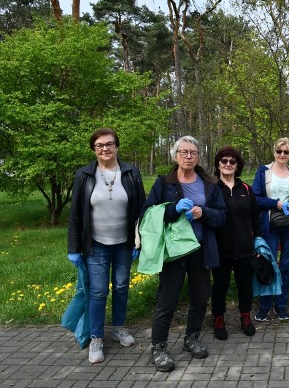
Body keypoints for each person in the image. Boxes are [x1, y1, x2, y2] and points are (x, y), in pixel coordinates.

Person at [142, 136, 226, 372]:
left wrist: (204, 212)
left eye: (193, 153)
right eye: (184, 152)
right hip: (175, 251)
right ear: (175, 155)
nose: (189, 156)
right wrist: (172, 209)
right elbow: (148, 213)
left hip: (201, 248)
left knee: (200, 297)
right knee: (167, 300)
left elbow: (222, 216)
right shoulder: (164, 183)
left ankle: (192, 337)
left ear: (199, 156)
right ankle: (159, 348)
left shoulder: (209, 183)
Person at [67, 128, 146, 364]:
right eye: (99, 145)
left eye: (109, 144)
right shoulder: (84, 175)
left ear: (117, 146)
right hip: (96, 244)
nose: (105, 149)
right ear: (94, 149)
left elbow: (142, 210)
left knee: (122, 286)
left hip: (124, 243)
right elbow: (75, 216)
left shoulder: (132, 172)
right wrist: (74, 248)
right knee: (99, 291)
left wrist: (140, 240)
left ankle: (119, 328)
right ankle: (96, 338)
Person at [252, 137, 289, 321]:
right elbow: (256, 198)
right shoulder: (263, 172)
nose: (282, 155)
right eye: (279, 151)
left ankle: (281, 306)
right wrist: (276, 203)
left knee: (285, 268)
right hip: (270, 226)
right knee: (269, 265)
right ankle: (265, 306)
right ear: (274, 152)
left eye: (286, 152)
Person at [211, 147, 261, 340]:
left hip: (245, 248)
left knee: (245, 285)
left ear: (237, 165)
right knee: (220, 285)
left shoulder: (246, 189)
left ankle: (245, 316)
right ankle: (218, 318)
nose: (228, 164)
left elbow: (255, 218)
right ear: (218, 165)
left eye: (232, 161)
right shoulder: (213, 189)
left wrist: (257, 240)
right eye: (224, 161)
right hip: (221, 248)